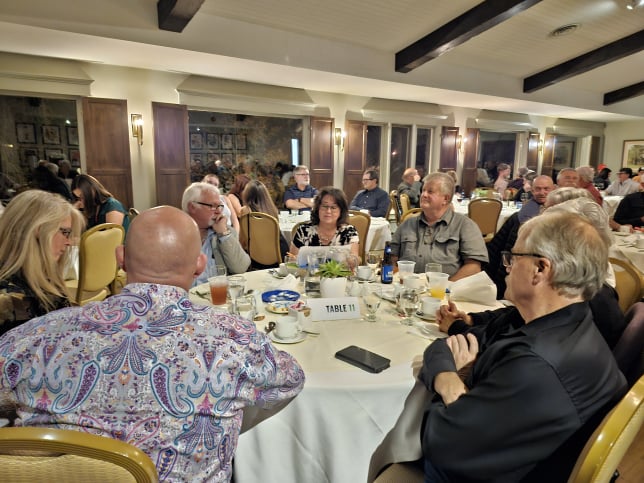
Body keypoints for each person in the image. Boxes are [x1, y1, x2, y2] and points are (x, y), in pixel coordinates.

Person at [0, 206, 305, 482]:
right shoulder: (236, 340)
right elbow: (290, 381)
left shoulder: (35, 336)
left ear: (120, 258)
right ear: (200, 265)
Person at [422, 211, 627, 482]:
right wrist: (448, 378)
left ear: (540, 269)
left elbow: (439, 444)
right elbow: (445, 346)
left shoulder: (535, 364)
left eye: (513, 258)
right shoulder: (563, 322)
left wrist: (456, 380)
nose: (506, 266)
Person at [0, 190, 84, 335]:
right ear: (39, 230)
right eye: (65, 232)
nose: (69, 242)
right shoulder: (11, 303)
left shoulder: (41, 279)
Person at [391, 172, 488, 280]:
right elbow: (391, 258)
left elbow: (473, 267)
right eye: (423, 190)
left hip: (446, 292)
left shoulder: (465, 226)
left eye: (430, 191)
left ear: (445, 199)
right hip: (407, 290)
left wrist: (447, 287)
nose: (424, 195)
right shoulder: (408, 224)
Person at [182, 182, 250, 286]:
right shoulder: (174, 236)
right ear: (192, 207)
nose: (219, 211)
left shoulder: (224, 231)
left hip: (216, 296)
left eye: (220, 206)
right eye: (212, 206)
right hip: (184, 298)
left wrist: (223, 234)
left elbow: (241, 267)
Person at [290, 187, 359, 259]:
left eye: (333, 207)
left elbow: (355, 258)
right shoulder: (303, 230)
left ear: (341, 211)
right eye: (325, 206)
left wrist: (353, 260)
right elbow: (292, 260)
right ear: (318, 208)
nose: (328, 211)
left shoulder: (349, 232)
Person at [240, 179, 290, 267]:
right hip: (279, 255)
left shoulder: (246, 211)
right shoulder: (272, 210)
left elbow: (242, 241)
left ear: (246, 194)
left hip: (256, 257)